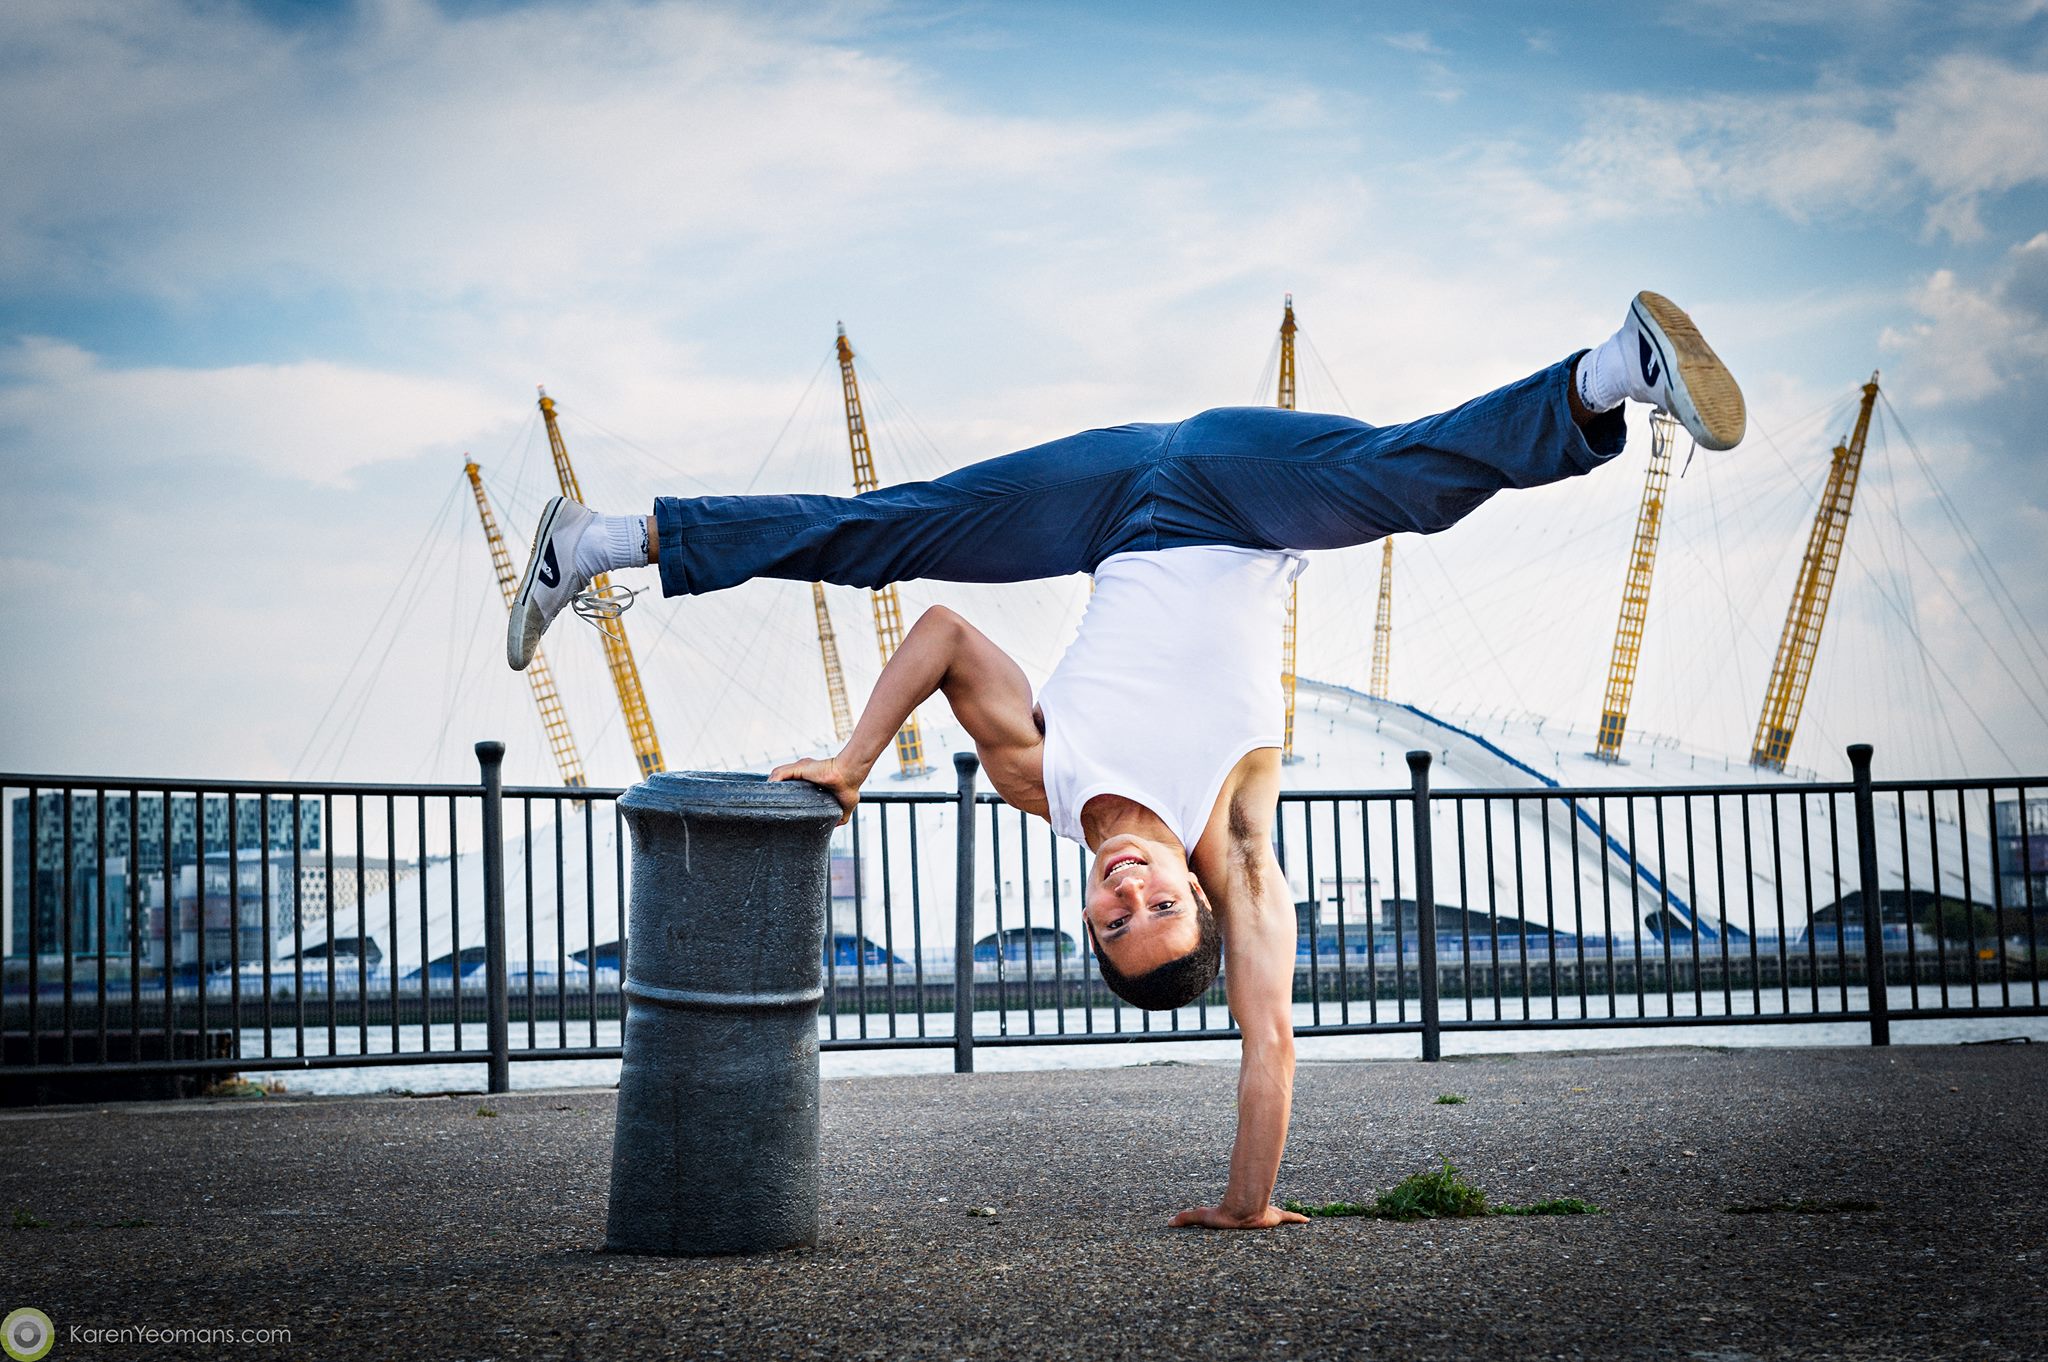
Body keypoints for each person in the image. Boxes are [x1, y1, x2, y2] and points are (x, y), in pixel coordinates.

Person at [507, 290, 1744, 1230]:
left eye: (1117, 921)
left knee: (892, 534)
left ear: (1086, 923)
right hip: (1234, 492)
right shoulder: (1239, 839)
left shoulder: (1038, 784)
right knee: (1395, 484)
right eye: (1162, 907)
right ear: (1199, 895)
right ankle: (1604, 380)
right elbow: (1268, 1041)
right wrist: (1246, 1203)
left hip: (1106, 503)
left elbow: (940, 634)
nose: (1133, 891)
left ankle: (605, 539)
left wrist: (852, 761)